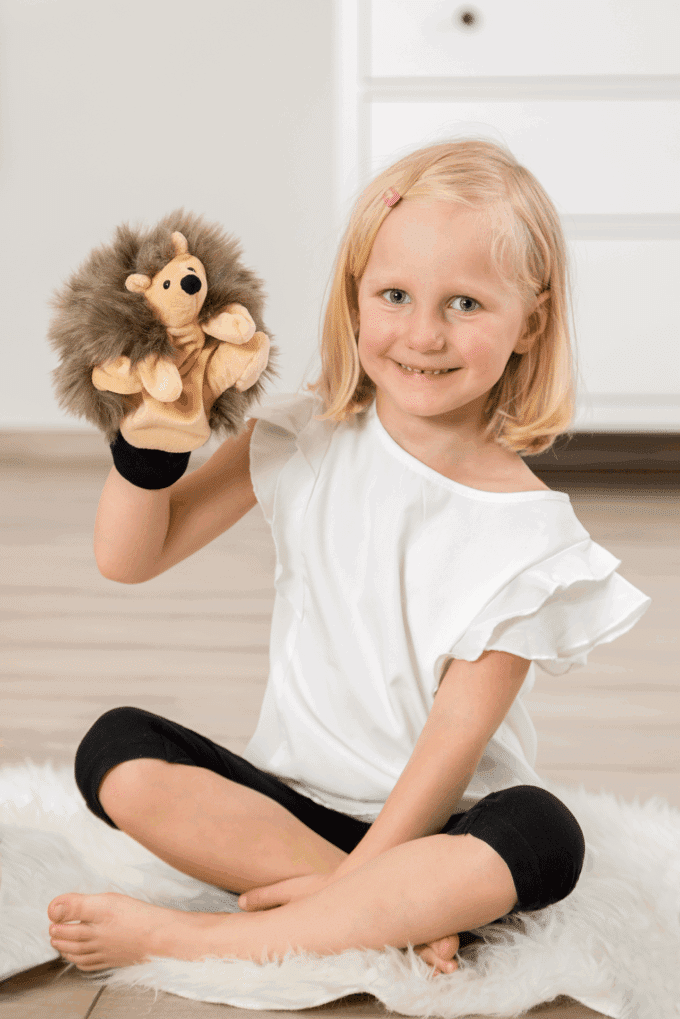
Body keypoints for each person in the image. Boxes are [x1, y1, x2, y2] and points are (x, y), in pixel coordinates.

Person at [47, 139, 651, 975]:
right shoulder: (304, 435)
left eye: (466, 303)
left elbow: (452, 742)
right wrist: (149, 444)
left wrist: (385, 864)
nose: (424, 333)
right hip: (293, 810)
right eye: (395, 295)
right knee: (115, 750)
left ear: (531, 323)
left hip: (440, 824)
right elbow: (131, 557)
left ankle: (204, 937)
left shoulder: (533, 538)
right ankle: (382, 911)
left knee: (544, 833)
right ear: (356, 296)